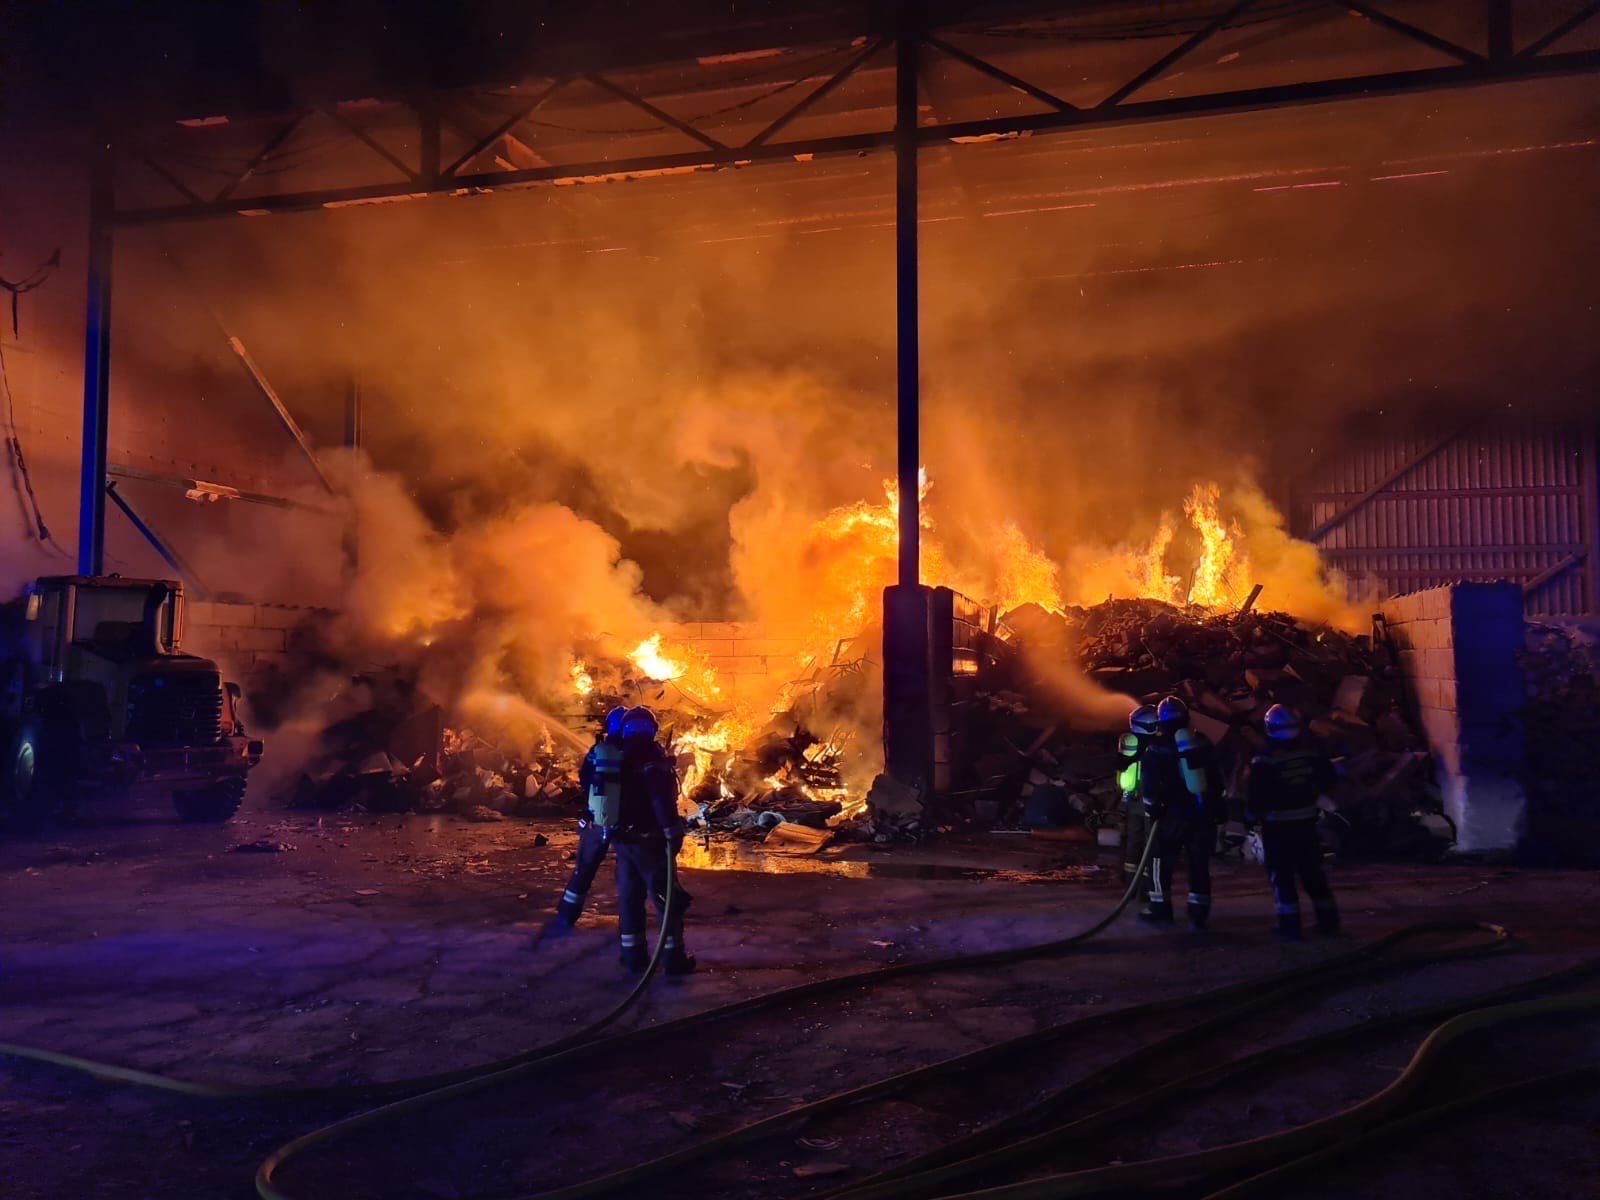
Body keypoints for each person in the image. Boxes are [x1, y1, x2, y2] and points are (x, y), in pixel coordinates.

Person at [611, 705, 695, 975]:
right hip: (650, 840)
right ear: (651, 729)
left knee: (630, 899)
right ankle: (673, 959)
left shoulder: (616, 756)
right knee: (667, 899)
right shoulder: (651, 757)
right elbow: (660, 799)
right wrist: (671, 829)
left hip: (623, 840)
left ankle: (632, 956)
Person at [1245, 704, 1340, 940]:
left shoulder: (1264, 760)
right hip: (1307, 823)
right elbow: (1328, 779)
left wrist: (1249, 818)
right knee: (1313, 874)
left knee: (1282, 876)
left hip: (1278, 827)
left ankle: (1290, 926)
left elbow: (1256, 796)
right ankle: (1329, 921)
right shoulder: (1311, 752)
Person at [1137, 695, 1222, 930]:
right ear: (1186, 718)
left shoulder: (1156, 747)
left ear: (1160, 721)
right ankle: (1198, 915)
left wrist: (1151, 807)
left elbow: (1149, 783)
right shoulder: (1202, 742)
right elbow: (1216, 777)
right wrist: (1215, 807)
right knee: (1199, 864)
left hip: (1169, 817)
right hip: (1200, 814)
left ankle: (1160, 910)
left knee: (1159, 862)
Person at [552, 706, 626, 927]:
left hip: (596, 819)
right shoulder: (632, 753)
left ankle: (567, 914)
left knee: (584, 869)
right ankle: (628, 918)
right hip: (625, 823)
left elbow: (585, 780)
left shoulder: (598, 751)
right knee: (627, 875)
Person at [1118, 705, 1160, 885]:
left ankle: (1129, 880)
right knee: (1150, 841)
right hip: (1150, 797)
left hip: (1132, 796)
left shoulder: (1129, 741)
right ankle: (1146, 884)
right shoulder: (1158, 744)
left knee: (1133, 838)